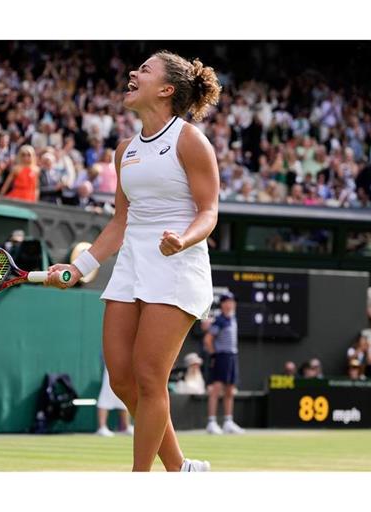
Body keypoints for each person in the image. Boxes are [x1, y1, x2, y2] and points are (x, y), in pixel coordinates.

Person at [44, 51, 221, 472]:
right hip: (132, 265)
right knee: (122, 379)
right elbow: (120, 222)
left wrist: (184, 239)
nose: (132, 73)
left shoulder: (189, 140)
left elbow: (209, 210)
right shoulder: (125, 150)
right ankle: (181, 471)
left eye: (144, 69)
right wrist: (81, 266)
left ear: (166, 89)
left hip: (177, 263)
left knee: (148, 377)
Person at [203, 292, 245, 435]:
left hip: (232, 356)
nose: (231, 304)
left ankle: (228, 422)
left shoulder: (233, 318)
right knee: (216, 390)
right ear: (222, 304)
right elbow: (208, 339)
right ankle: (211, 422)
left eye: (232, 301)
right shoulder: (220, 320)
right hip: (221, 356)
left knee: (229, 390)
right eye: (227, 301)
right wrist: (214, 355)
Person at [95, 364, 134, 437]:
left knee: (124, 397)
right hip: (113, 365)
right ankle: (102, 427)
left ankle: (126, 426)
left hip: (126, 368)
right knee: (106, 394)